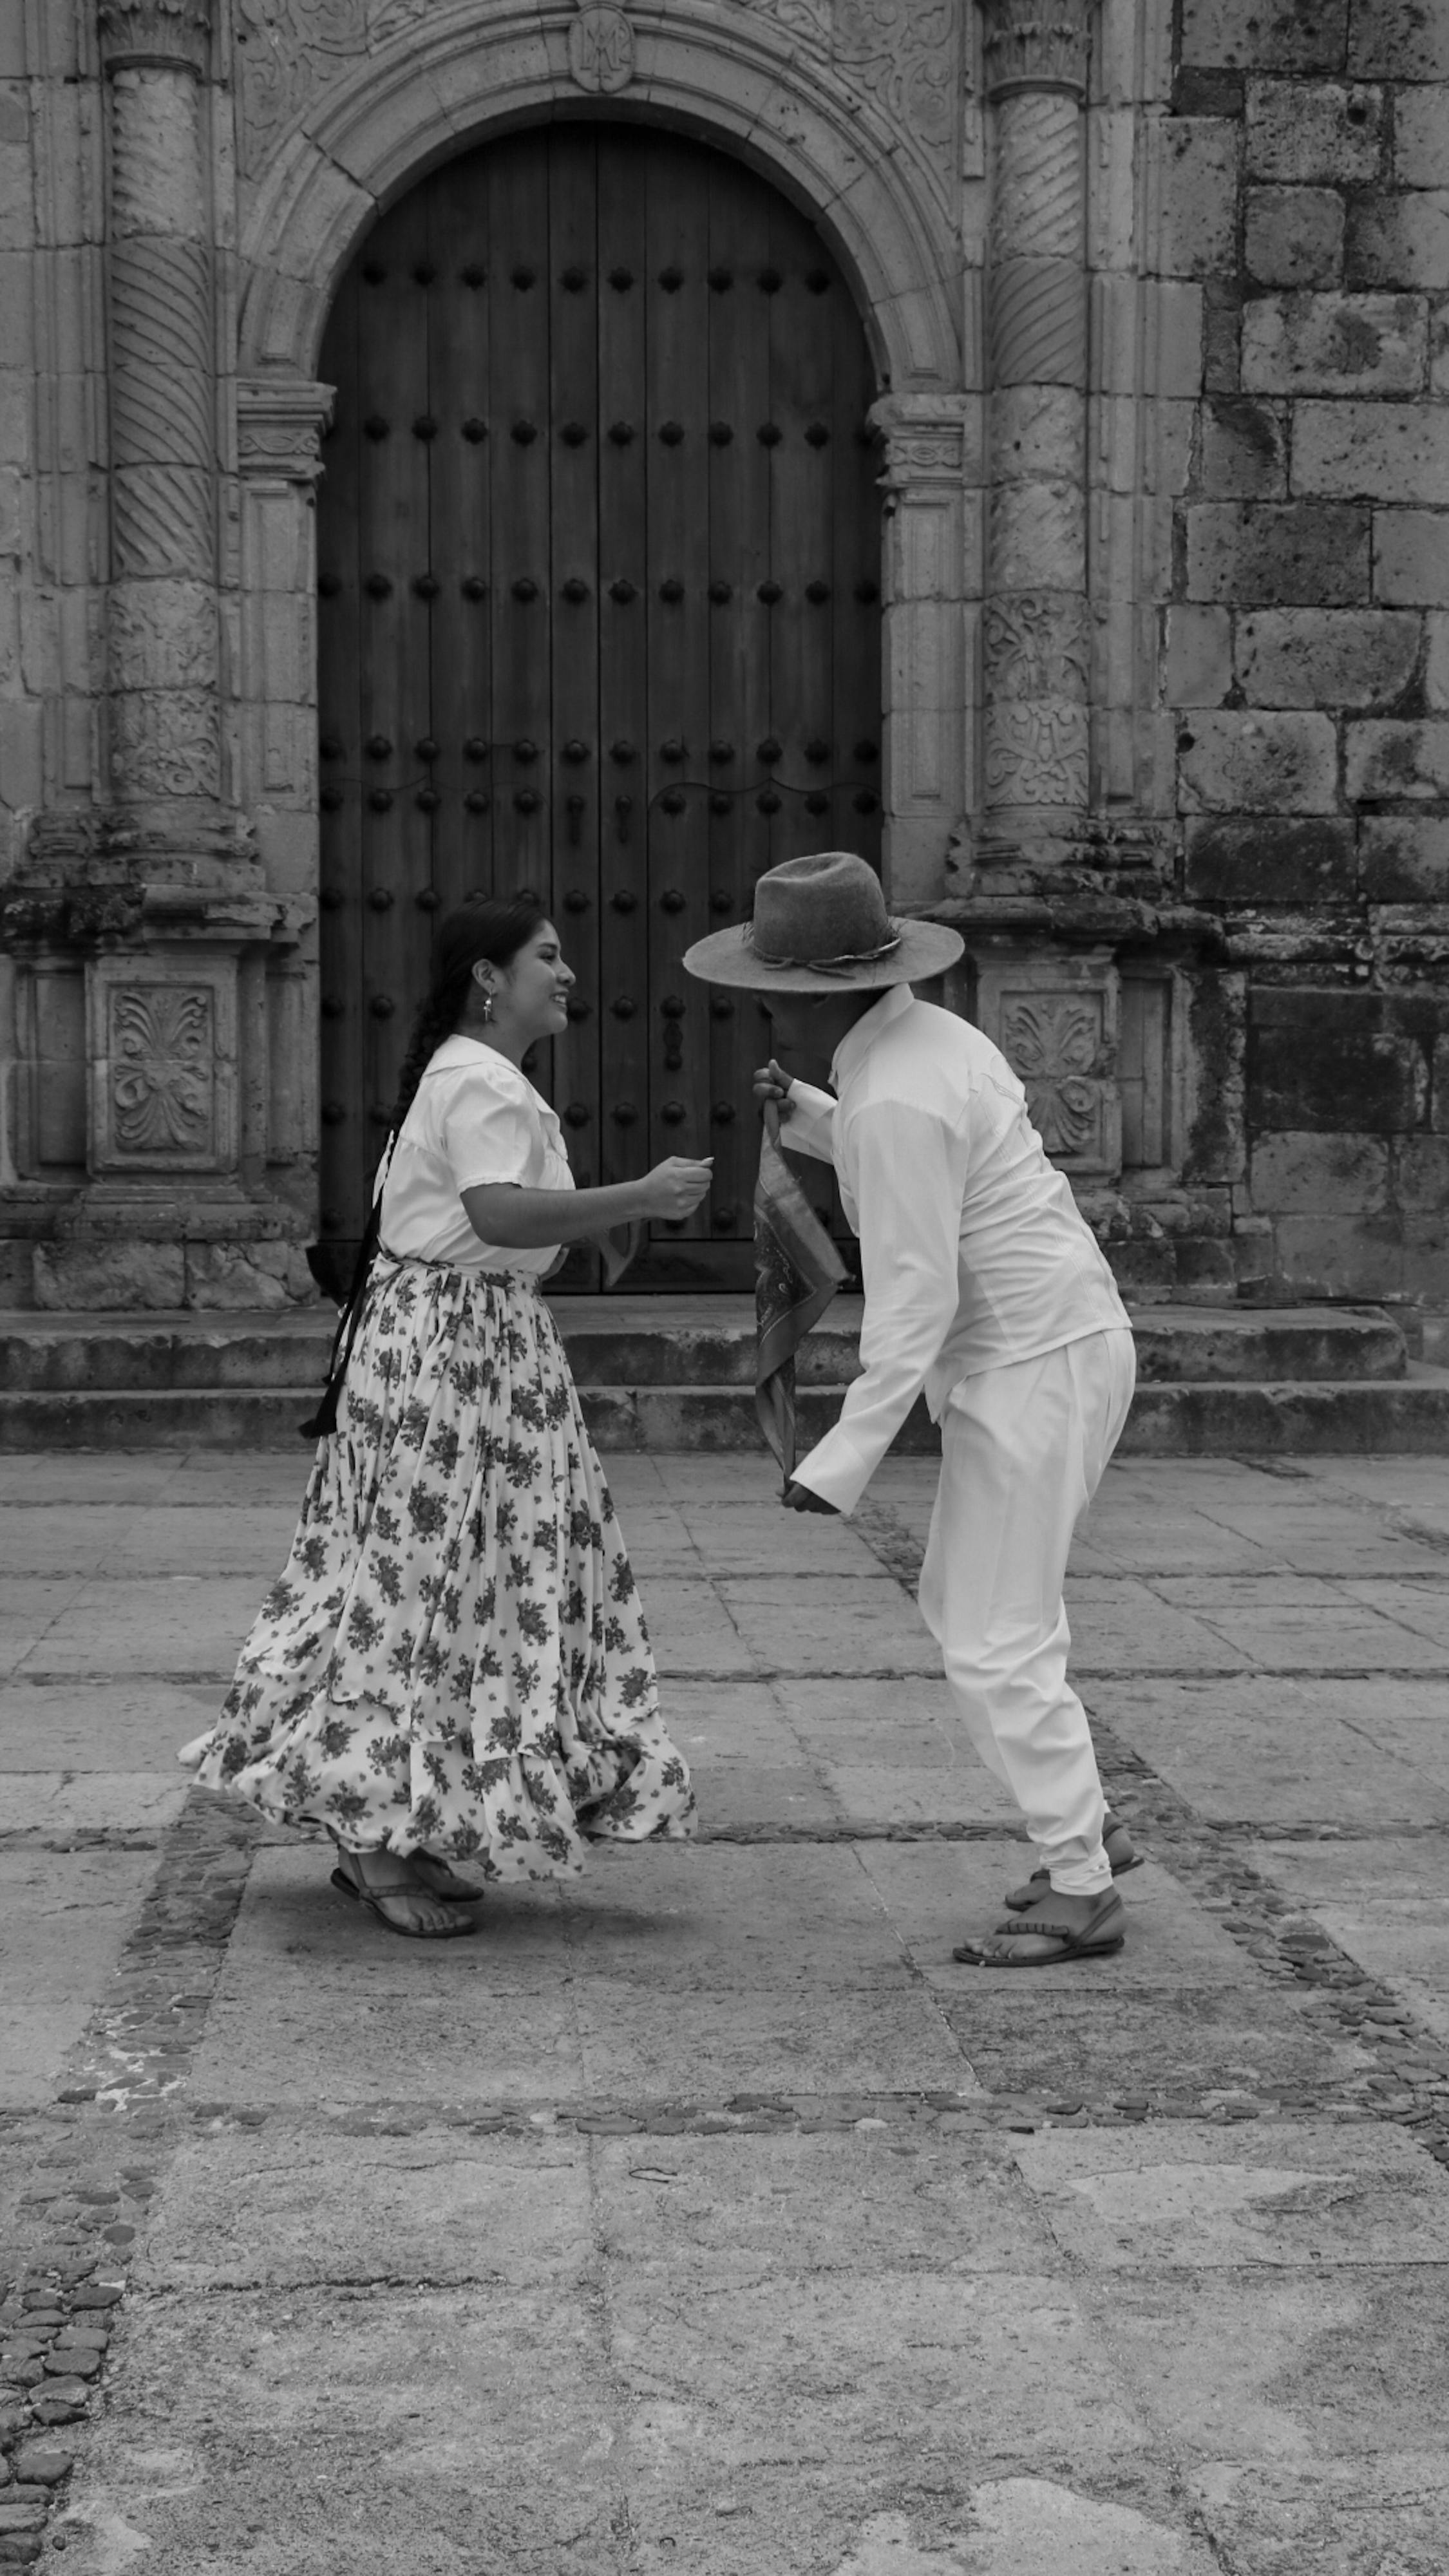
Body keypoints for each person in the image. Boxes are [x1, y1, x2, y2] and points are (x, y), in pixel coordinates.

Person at [184, 892, 708, 1937]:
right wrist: (637, 1196)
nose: (565, 975)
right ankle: (371, 1843)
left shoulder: (481, 1079)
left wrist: (611, 1221)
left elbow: (521, 1235)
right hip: (450, 1356)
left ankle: (400, 1823)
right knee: (419, 1587)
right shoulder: (478, 1077)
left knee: (453, 1587)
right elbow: (495, 1214)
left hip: (475, 1346)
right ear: (488, 977)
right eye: (546, 957)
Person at [684, 851, 1140, 1968]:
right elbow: (920, 1164)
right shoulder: (926, 1043)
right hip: (1054, 1347)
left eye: (779, 996)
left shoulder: (894, 1090)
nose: (769, 1015)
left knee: (993, 1634)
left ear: (825, 993)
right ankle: (1080, 1820)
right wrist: (809, 1117)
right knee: (975, 1610)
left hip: (1033, 1361)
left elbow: (915, 1293)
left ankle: (1080, 1879)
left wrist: (838, 1457)